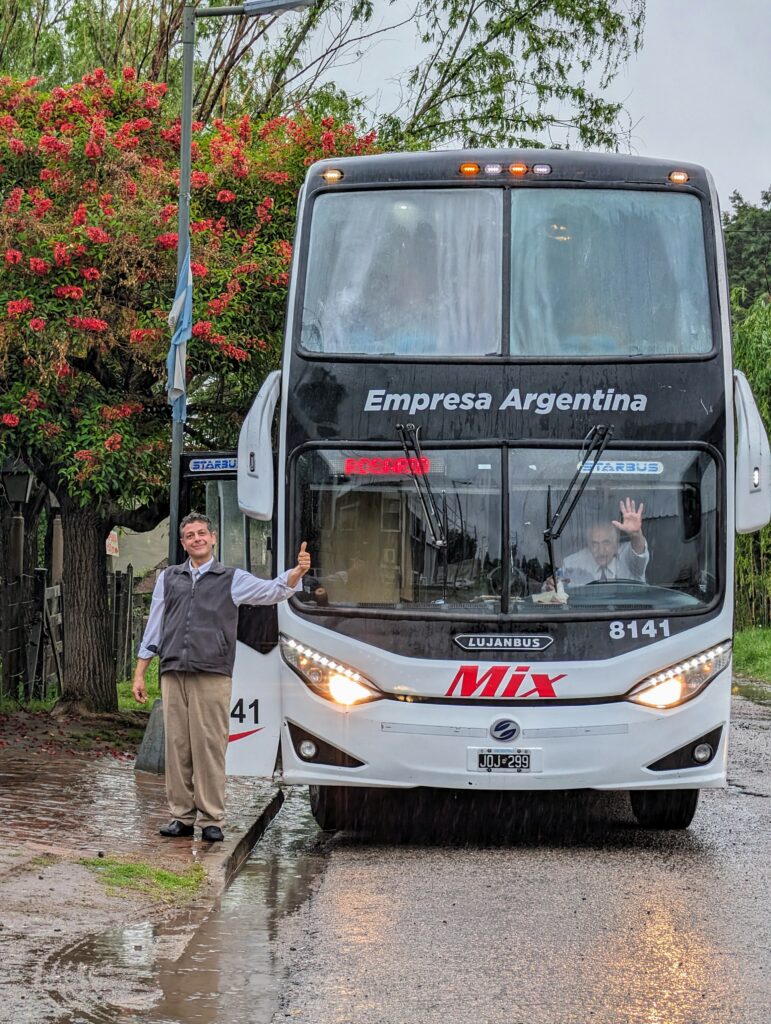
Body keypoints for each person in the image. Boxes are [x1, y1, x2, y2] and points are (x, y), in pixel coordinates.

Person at [132, 512, 311, 842]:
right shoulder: (168, 578)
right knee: (177, 747)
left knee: (210, 746)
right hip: (173, 671)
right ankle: (181, 817)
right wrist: (140, 672)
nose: (196, 538)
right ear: (183, 543)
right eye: (190, 535)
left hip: (212, 672)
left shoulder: (232, 579)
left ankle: (212, 818)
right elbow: (153, 626)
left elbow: (272, 591)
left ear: (212, 538)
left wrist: (296, 573)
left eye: (202, 533)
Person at [544, 497, 649, 589]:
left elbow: (638, 553)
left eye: (606, 543)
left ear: (616, 544)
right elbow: (551, 586)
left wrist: (635, 534)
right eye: (594, 544)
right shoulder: (572, 564)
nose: (601, 550)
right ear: (588, 545)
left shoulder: (629, 557)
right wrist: (550, 586)